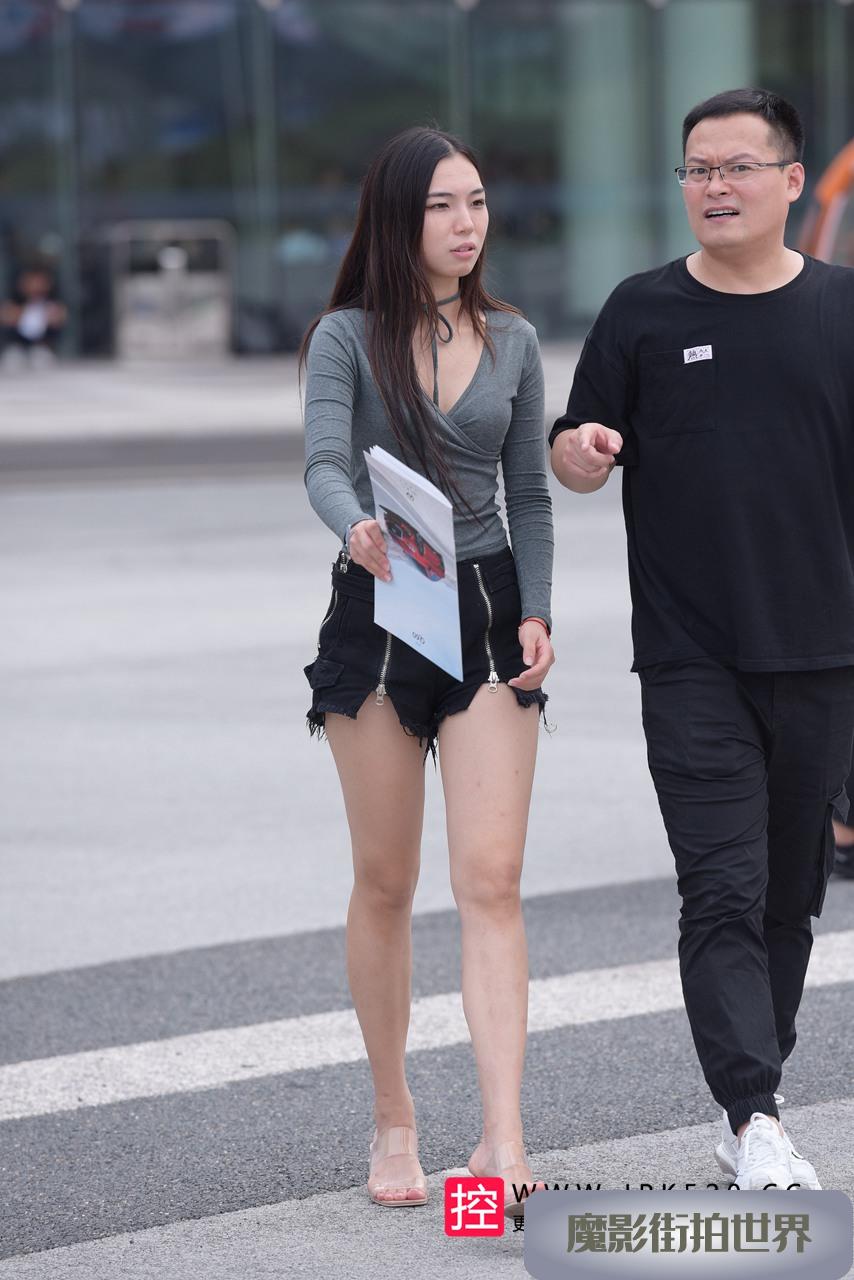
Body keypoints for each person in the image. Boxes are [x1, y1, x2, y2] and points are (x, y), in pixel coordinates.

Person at [550, 88, 854, 1191]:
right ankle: (754, 1110)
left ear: (791, 181)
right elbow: (571, 449)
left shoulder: (841, 309)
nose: (714, 187)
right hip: (690, 656)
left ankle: (748, 1105)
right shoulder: (641, 311)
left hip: (825, 653)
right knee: (718, 886)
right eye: (696, 170)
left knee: (787, 897)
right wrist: (581, 451)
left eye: (736, 167)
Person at [301, 126, 554, 1213]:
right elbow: (321, 458)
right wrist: (354, 523)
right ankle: (393, 1115)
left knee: (490, 878)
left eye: (478, 202)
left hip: (488, 608)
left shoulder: (514, 339)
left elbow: (528, 492)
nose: (465, 224)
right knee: (387, 881)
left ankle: (502, 1138)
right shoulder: (346, 337)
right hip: (380, 608)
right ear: (398, 220)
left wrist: (537, 608)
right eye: (442, 205)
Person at [1, 264, 67, 366]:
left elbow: (60, 317)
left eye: (40, 282)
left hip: (43, 348)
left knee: (41, 359)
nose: (35, 286)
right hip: (17, 348)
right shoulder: (15, 301)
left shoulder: (52, 302)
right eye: (31, 282)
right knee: (12, 360)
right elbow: (6, 317)